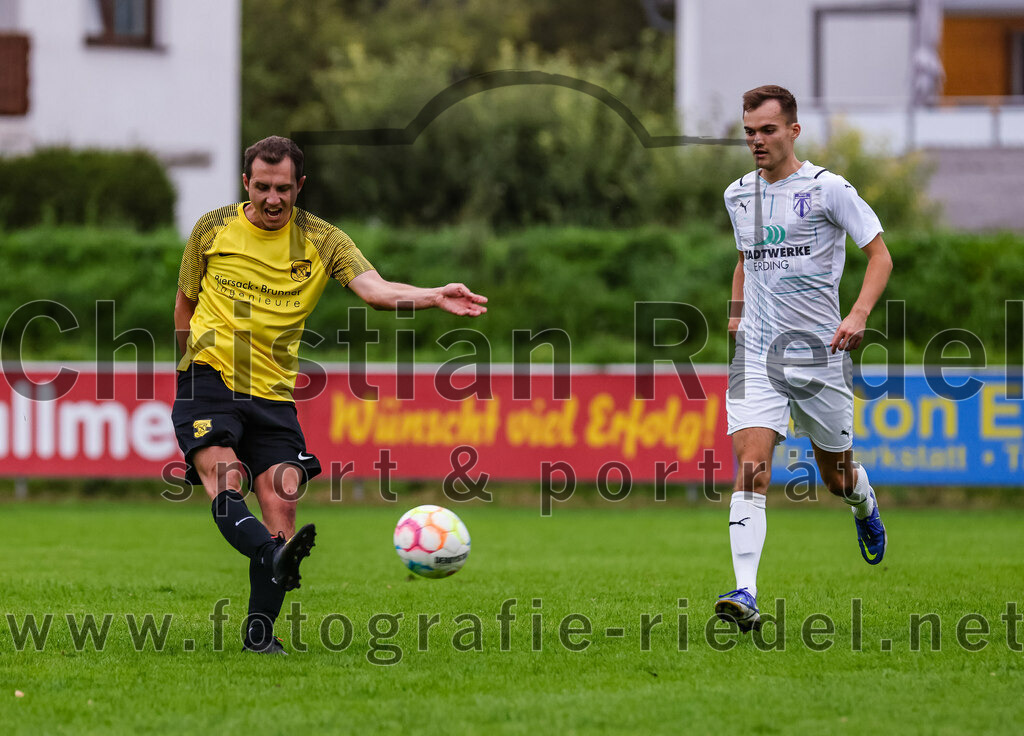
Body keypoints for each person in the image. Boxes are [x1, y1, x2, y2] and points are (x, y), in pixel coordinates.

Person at [171, 136, 487, 654]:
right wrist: (186, 371)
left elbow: (376, 290)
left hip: (273, 392)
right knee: (224, 476)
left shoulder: (324, 240)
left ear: (300, 187)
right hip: (208, 377)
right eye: (264, 187)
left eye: (284, 189)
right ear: (246, 183)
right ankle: (273, 556)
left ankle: (259, 635)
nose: (274, 199)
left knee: (282, 498)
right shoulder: (212, 228)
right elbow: (185, 302)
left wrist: (434, 296)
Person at [716, 85, 892, 632]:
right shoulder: (737, 195)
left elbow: (880, 256)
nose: (757, 141)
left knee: (835, 479)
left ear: (793, 131)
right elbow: (748, 257)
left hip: (820, 355)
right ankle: (745, 592)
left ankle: (863, 502)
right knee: (752, 469)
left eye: (767, 130)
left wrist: (858, 314)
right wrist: (736, 311)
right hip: (757, 353)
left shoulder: (827, 190)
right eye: (749, 132)